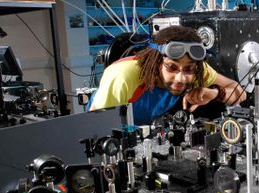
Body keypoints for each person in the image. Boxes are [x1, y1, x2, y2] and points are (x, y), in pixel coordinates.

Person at [89, 25, 246, 125]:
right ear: (157, 61)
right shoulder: (123, 76)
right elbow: (96, 127)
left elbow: (240, 93)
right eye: (172, 67)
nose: (181, 78)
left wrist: (215, 92)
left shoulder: (199, 70)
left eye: (188, 69)